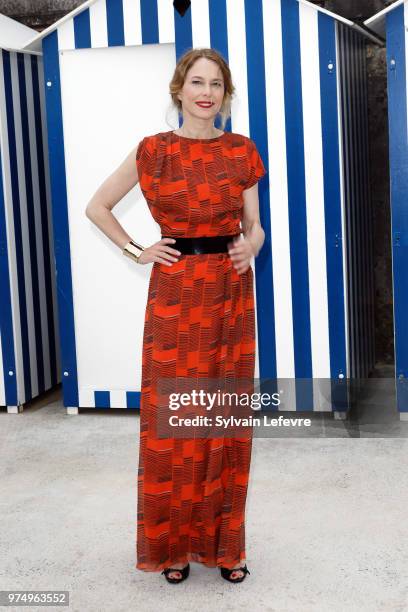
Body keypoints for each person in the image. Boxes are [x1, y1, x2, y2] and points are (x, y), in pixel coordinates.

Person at [85, 47, 266, 584]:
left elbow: (254, 225)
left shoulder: (242, 152)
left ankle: (227, 548)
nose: (206, 92)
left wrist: (251, 245)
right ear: (179, 89)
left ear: (225, 95)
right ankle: (175, 549)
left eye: (216, 84)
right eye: (197, 82)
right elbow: (98, 206)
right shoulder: (153, 151)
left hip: (231, 294)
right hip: (176, 295)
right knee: (176, 425)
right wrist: (135, 249)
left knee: (224, 421)